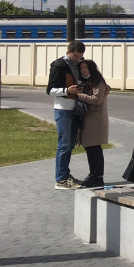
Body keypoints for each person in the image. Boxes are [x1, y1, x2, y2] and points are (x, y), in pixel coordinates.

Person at [46, 40, 85, 190]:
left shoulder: (79, 64)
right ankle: (61, 179)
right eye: (75, 56)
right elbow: (50, 91)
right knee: (64, 144)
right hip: (63, 109)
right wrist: (68, 90)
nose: (77, 59)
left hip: (75, 110)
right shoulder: (59, 65)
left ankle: (65, 174)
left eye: (80, 56)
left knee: (69, 145)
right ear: (68, 51)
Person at [74, 59, 111, 188]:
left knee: (95, 148)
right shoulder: (84, 82)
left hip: (95, 120)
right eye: (81, 68)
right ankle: (93, 174)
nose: (83, 70)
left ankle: (98, 176)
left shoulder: (98, 82)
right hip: (87, 119)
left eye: (86, 67)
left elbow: (96, 100)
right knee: (89, 148)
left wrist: (79, 95)